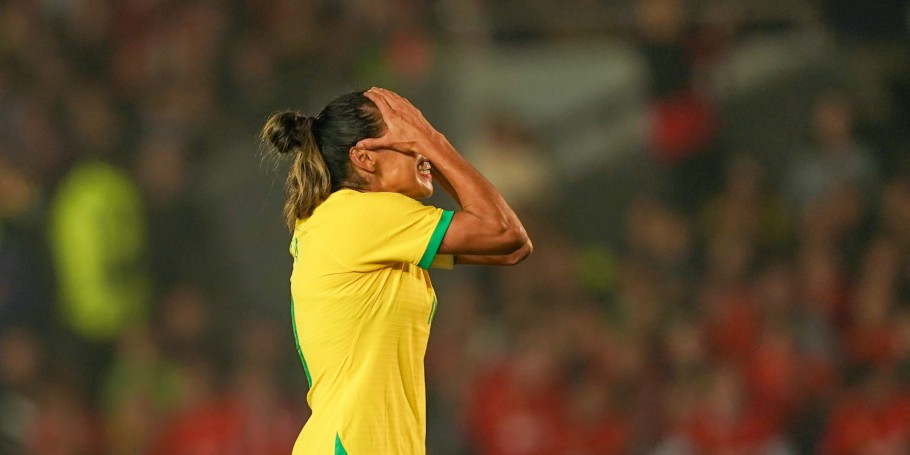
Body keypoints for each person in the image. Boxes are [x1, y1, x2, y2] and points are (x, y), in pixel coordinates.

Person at [259, 87, 532, 455]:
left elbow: (511, 248)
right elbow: (501, 230)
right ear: (365, 158)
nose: (422, 151)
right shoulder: (356, 217)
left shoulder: (372, 229)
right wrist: (435, 142)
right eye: (407, 138)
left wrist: (426, 142)